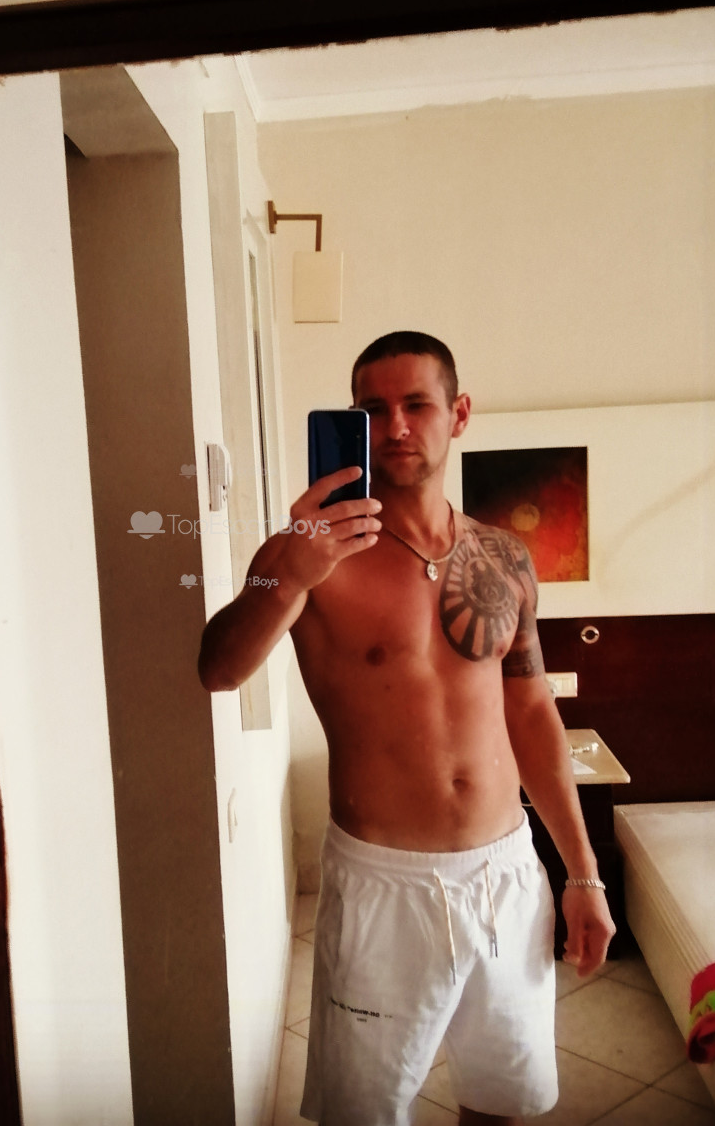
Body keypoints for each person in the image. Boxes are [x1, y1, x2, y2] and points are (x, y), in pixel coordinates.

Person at [198, 332, 615, 1126]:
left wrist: (583, 875)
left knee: (501, 1103)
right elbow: (217, 669)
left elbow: (532, 712)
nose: (394, 426)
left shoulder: (504, 558)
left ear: (459, 414)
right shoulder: (304, 553)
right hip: (382, 884)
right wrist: (288, 573)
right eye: (372, 408)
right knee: (364, 1112)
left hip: (505, 875)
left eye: (416, 404)